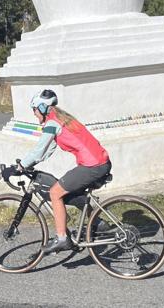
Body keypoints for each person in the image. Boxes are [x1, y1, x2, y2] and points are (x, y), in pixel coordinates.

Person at [14, 89, 111, 255]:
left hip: (92, 166)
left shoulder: (52, 123)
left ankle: (62, 239)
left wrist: (20, 167)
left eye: (35, 110)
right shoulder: (61, 119)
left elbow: (38, 151)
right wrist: (29, 164)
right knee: (72, 194)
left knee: (55, 193)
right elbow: (46, 150)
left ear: (42, 108)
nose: (34, 114)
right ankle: (98, 223)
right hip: (100, 162)